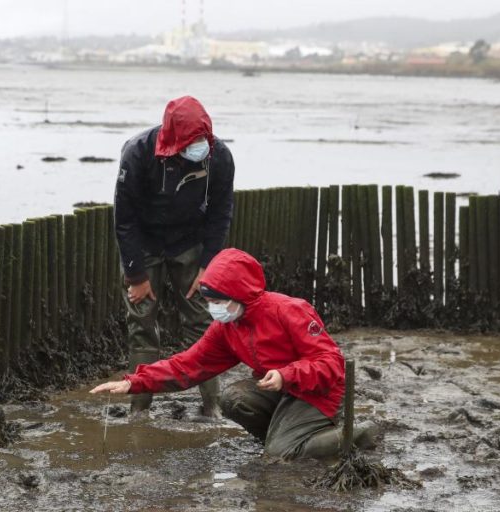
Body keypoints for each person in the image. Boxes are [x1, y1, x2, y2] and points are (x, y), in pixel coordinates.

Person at [91, 248, 377, 460]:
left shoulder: (289, 310)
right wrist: (134, 382)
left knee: (280, 457)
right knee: (233, 398)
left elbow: (332, 364)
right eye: (210, 301)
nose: (213, 308)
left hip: (319, 392)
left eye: (218, 301)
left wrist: (286, 374)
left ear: (239, 294)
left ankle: (356, 434)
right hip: (280, 388)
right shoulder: (227, 327)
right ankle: (286, 438)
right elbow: (188, 365)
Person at [114, 96, 235, 416]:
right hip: (145, 244)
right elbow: (124, 219)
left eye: (202, 141)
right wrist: (136, 276)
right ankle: (139, 409)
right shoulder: (137, 153)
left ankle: (212, 407)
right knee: (141, 324)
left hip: (190, 244)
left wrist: (208, 266)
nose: (197, 147)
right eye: (190, 142)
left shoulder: (219, 157)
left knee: (202, 322)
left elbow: (221, 214)